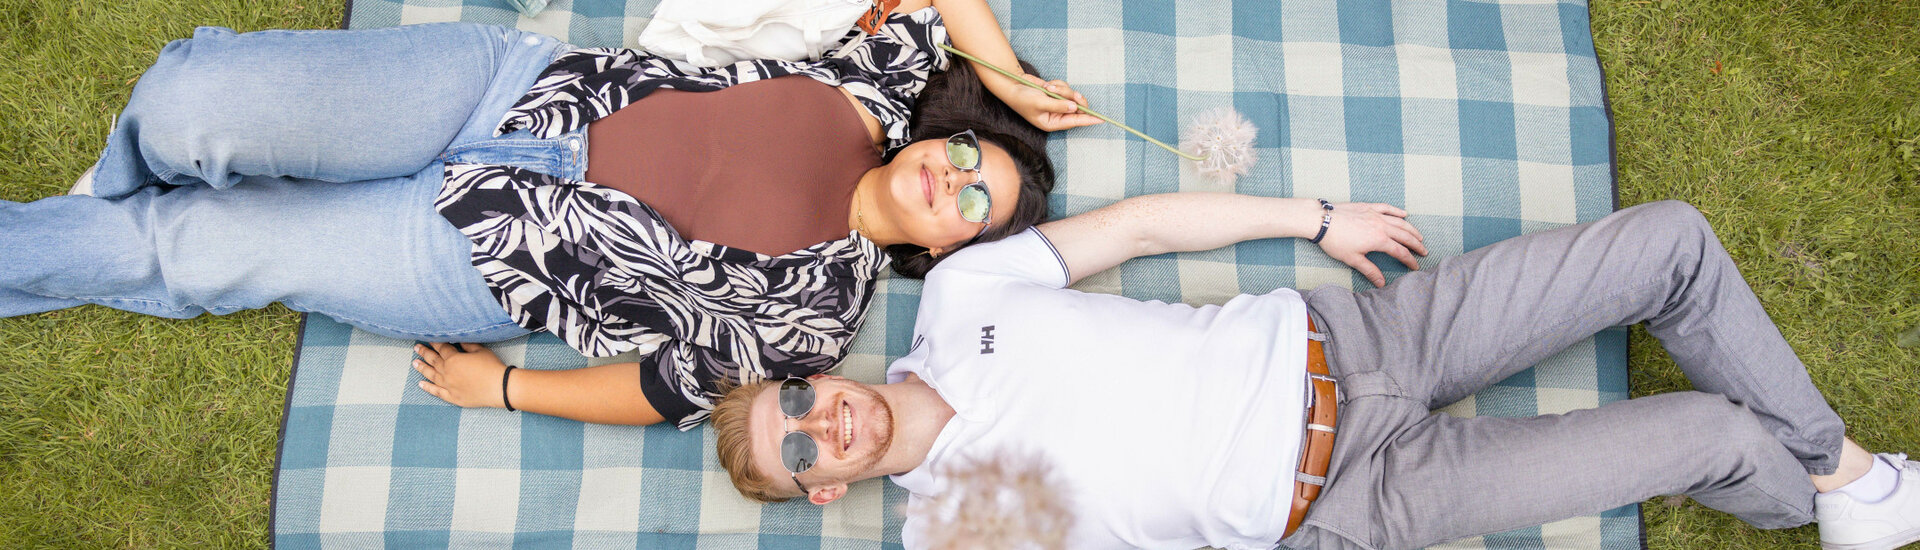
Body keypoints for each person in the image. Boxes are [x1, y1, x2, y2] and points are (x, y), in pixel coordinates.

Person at [0, 0, 1102, 429]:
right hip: (505, 91)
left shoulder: (816, 313)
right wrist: (1002, 83)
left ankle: (78, 233)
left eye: (974, 202)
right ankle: (131, 168)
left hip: (477, 260)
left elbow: (671, 385)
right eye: (964, 156)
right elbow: (941, 4)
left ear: (949, 250)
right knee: (197, 102)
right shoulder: (876, 84)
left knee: (193, 248)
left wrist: (509, 384)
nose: (951, 176)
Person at [708, 194, 1920, 550]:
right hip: (1353, 503)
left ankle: (1841, 475)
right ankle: (1836, 486)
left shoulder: (961, 296)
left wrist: (1316, 215)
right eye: (802, 448)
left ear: (817, 373)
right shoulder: (951, 536)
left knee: (1672, 241)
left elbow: (1131, 231)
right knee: (1708, 432)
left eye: (799, 400)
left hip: (1366, 336)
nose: (829, 424)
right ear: (825, 489)